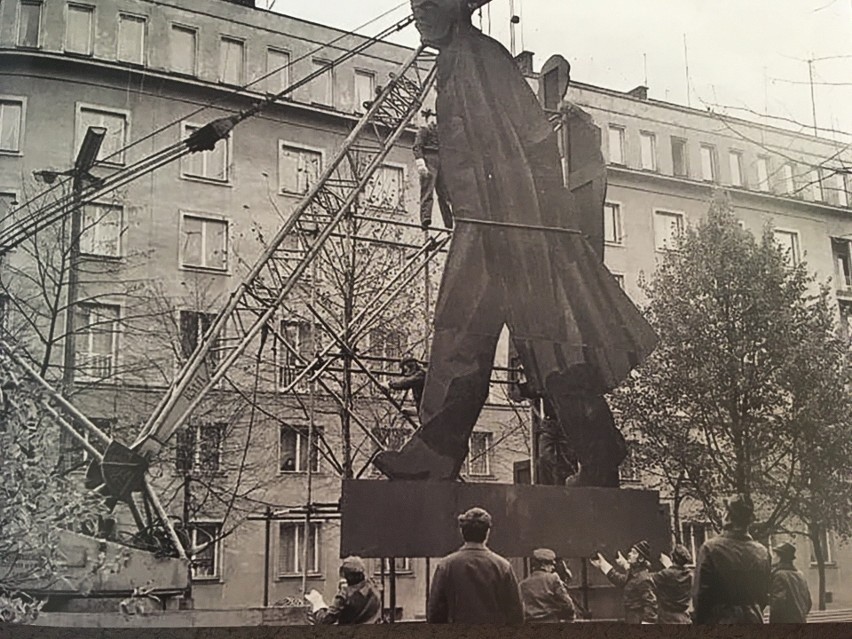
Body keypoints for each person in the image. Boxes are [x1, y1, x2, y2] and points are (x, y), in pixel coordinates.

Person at [373, 0, 657, 485]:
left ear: (450, 9)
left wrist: (544, 224)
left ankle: (592, 448)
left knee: (526, 341)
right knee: (505, 340)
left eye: (425, 5)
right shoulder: (460, 60)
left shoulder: (477, 57)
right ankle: (592, 447)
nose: (417, 15)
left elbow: (533, 139)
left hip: (505, 222)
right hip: (490, 221)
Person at [427, 507, 524, 624]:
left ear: (462, 532)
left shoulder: (446, 566)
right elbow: (516, 615)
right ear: (487, 532)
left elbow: (435, 614)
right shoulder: (503, 567)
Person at [692, 494, 772, 624]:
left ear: (728, 517)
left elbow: (700, 597)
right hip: (754, 621)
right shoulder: (762, 552)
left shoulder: (711, 549)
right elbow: (763, 595)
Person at [591, 540, 658, 624]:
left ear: (640, 559)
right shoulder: (634, 574)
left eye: (634, 553)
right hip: (631, 618)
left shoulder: (643, 578)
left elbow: (651, 604)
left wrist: (647, 623)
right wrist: (603, 564)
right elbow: (620, 580)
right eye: (630, 551)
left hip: (637, 619)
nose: (629, 554)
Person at [305, 556, 381, 625]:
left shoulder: (344, 596)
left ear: (347, 576)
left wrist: (318, 604)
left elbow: (325, 620)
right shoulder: (374, 589)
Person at [413, 109, 453, 230]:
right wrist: (421, 163)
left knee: (445, 193)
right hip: (429, 159)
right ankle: (425, 218)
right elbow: (417, 147)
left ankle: (449, 222)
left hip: (442, 160)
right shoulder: (424, 129)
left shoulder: (443, 132)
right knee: (428, 190)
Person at [519, 548, 576, 623]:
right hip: (550, 625)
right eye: (551, 564)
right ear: (543, 565)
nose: (553, 567)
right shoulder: (553, 579)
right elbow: (568, 605)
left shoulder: (522, 584)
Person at [768, 542, 812, 623]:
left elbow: (778, 604)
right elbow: (808, 603)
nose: (773, 557)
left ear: (780, 557)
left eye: (775, 554)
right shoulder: (800, 575)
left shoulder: (779, 575)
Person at [652, 545, 693, 624]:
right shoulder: (690, 574)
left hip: (668, 618)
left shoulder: (666, 574)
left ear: (672, 557)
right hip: (684, 618)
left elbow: (648, 580)